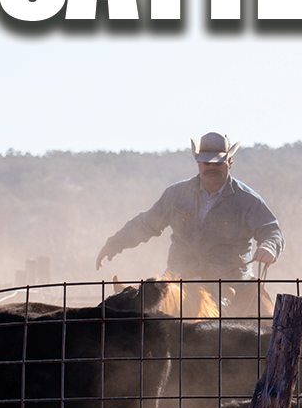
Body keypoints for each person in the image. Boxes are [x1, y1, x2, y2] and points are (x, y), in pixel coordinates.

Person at [96, 132, 284, 314]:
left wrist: (269, 246)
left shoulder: (248, 200)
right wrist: (115, 243)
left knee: (267, 324)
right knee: (145, 318)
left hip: (234, 286)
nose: (212, 167)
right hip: (180, 283)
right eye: (206, 162)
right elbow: (146, 224)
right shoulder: (176, 195)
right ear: (198, 163)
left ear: (230, 162)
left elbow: (271, 230)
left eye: (218, 163)